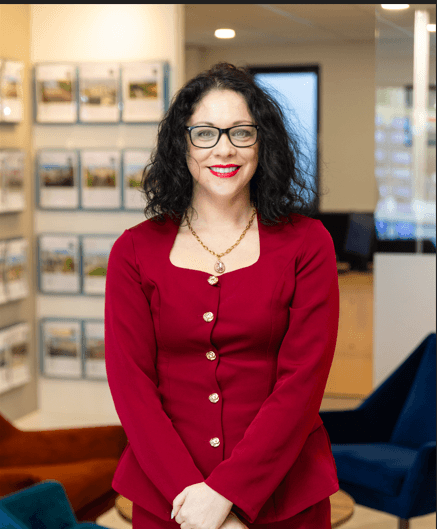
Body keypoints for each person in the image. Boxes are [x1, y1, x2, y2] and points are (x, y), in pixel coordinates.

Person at [105, 62, 340, 529]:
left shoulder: (308, 243)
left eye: (241, 133)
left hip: (285, 495)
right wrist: (195, 501)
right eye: (205, 133)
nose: (224, 149)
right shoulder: (133, 251)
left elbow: (303, 383)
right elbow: (131, 387)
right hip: (172, 499)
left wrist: (227, 496)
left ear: (262, 143)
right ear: (182, 144)